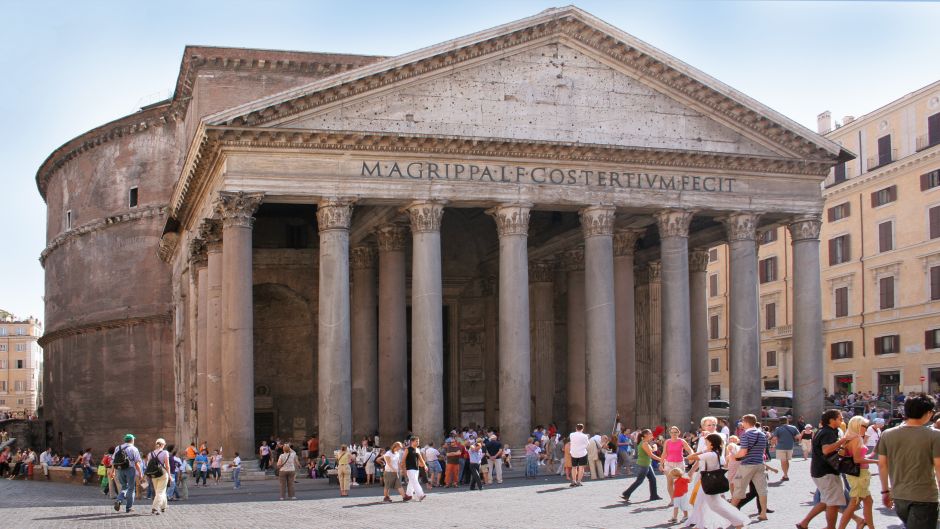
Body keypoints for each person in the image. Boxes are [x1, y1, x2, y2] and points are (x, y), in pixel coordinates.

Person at [877, 393, 940, 529]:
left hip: (899, 496)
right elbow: (939, 467)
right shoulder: (935, 435)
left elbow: (882, 465)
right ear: (928, 413)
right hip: (924, 497)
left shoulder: (887, 434)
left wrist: (885, 492)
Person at [796, 409, 853, 529]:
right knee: (833, 503)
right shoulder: (828, 432)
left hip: (821, 471)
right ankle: (830, 527)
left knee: (826, 501)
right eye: (840, 418)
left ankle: (804, 523)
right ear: (832, 420)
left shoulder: (824, 431)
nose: (842, 420)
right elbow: (826, 450)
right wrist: (843, 440)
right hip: (827, 472)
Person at [686, 433, 749, 529]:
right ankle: (700, 525)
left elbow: (690, 458)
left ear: (711, 443)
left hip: (709, 481)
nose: (705, 443)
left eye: (706, 441)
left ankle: (738, 521)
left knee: (715, 506)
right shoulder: (714, 452)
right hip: (707, 481)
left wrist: (703, 451)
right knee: (700, 503)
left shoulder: (710, 454)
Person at [836, 416, 878, 529]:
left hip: (856, 473)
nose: (866, 428)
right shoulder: (856, 438)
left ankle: (870, 527)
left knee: (868, 501)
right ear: (858, 426)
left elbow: (858, 457)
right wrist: (877, 462)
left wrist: (873, 454)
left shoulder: (850, 437)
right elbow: (857, 460)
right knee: (853, 504)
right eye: (865, 426)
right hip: (859, 474)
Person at [730, 414, 769, 521]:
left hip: (747, 465)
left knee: (739, 489)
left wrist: (734, 455)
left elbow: (743, 452)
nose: (741, 424)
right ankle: (763, 513)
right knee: (762, 490)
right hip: (759, 464)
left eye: (742, 422)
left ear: (746, 422)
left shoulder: (746, 435)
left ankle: (731, 514)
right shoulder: (762, 434)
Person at [621, 429, 662, 503]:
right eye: (650, 433)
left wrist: (654, 447)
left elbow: (650, 451)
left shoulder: (645, 442)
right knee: (639, 481)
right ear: (645, 435)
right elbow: (650, 454)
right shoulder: (644, 443)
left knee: (652, 479)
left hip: (646, 464)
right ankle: (626, 493)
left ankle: (654, 495)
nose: (652, 434)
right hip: (644, 464)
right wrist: (661, 459)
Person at [112, 434, 143, 513]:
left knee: (124, 487)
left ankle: (119, 500)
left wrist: (113, 471)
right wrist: (140, 473)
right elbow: (136, 463)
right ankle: (128, 507)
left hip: (120, 469)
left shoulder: (117, 448)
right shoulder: (134, 449)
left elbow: (113, 461)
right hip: (130, 470)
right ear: (132, 440)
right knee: (131, 489)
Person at [662, 426, 694, 500]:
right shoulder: (667, 441)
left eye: (675, 432)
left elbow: (689, 450)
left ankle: (681, 498)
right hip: (668, 463)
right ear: (669, 433)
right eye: (672, 432)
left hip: (679, 463)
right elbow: (664, 453)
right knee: (670, 482)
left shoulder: (682, 441)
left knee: (680, 482)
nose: (674, 434)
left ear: (678, 433)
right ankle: (672, 500)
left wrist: (691, 456)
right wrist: (661, 464)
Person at [770, 416, 801, 481]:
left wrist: (772, 446)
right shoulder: (793, 427)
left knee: (783, 461)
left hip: (781, 447)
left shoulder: (778, 428)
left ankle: (785, 475)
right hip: (790, 446)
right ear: (787, 421)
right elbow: (798, 436)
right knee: (786, 461)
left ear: (780, 421)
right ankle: (786, 474)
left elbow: (774, 438)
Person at [147, 438, 171, 515]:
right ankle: (155, 508)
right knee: (160, 491)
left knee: (159, 491)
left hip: (154, 474)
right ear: (162, 445)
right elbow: (167, 465)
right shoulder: (165, 452)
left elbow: (148, 465)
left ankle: (163, 506)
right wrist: (169, 475)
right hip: (163, 473)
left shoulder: (150, 453)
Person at [401, 436, 428, 501]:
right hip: (409, 468)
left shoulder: (417, 450)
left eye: (418, 441)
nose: (418, 442)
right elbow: (403, 459)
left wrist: (425, 466)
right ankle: (421, 495)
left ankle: (408, 495)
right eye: (416, 441)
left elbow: (421, 459)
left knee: (411, 482)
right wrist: (403, 468)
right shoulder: (407, 449)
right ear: (412, 442)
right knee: (415, 482)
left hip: (416, 468)